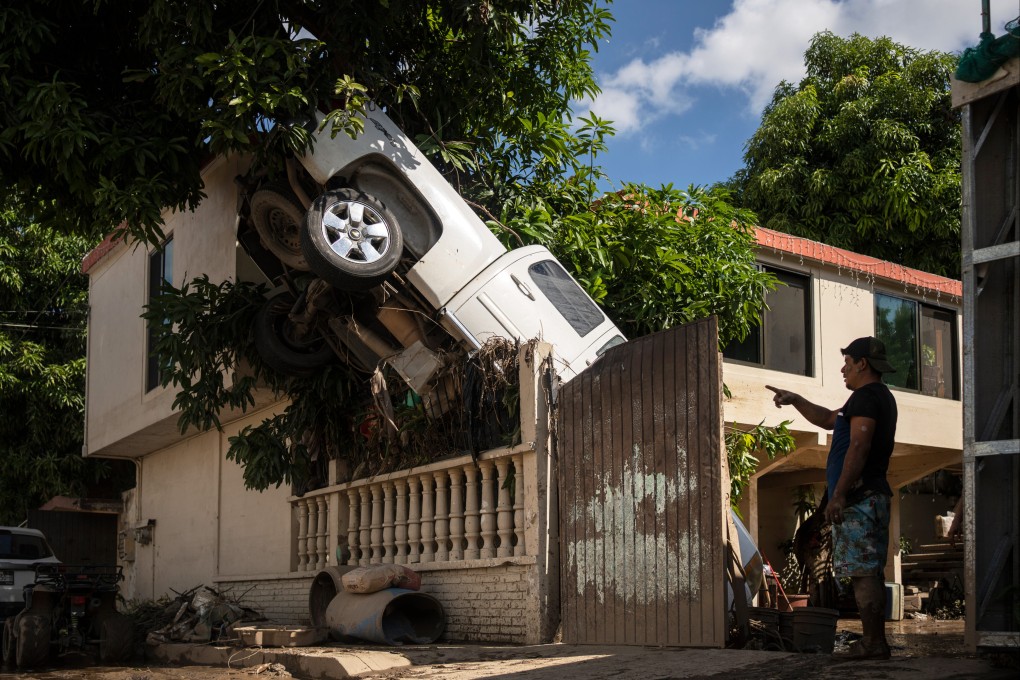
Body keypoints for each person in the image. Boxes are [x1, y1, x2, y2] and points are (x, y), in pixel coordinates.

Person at [766, 336, 898, 660]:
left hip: (861, 498)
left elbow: (859, 446)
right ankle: (874, 641)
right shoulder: (867, 400)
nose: (843, 369)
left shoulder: (868, 398)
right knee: (865, 571)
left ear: (862, 364)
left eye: (848, 363)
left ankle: (873, 643)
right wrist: (796, 399)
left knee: (864, 572)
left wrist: (838, 494)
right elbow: (828, 419)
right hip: (864, 498)